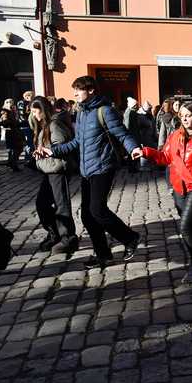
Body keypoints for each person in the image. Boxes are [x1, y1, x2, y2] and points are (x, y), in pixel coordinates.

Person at [35, 76, 143, 270]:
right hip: (86, 170)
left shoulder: (105, 111)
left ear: (91, 90)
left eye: (79, 89)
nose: (75, 93)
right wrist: (53, 150)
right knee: (86, 216)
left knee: (97, 210)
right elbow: (77, 142)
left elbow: (122, 134)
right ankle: (103, 255)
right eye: (74, 89)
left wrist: (133, 148)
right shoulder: (82, 113)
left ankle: (130, 237)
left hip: (103, 167)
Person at [143, 102, 192, 283]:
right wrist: (146, 152)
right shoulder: (175, 135)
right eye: (182, 115)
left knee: (185, 226)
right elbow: (165, 157)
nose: (184, 118)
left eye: (189, 115)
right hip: (179, 187)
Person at [31, 96, 79, 256]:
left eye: (36, 111)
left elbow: (62, 146)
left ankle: (68, 238)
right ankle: (55, 233)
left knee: (61, 204)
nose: (34, 115)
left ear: (43, 110)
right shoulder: (43, 125)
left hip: (57, 169)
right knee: (42, 204)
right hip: (48, 169)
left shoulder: (54, 124)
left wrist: (47, 152)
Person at [0, 98, 24, 171]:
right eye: (7, 102)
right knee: (16, 149)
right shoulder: (5, 112)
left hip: (16, 132)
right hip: (11, 133)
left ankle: (12, 163)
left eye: (11, 102)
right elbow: (4, 124)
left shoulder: (14, 111)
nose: (9, 103)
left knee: (17, 149)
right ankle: (13, 164)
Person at [137, 100, 157, 169]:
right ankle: (144, 166)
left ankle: (151, 164)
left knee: (151, 149)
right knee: (144, 150)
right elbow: (140, 127)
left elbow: (152, 124)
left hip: (150, 136)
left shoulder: (150, 115)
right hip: (144, 136)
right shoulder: (140, 116)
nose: (150, 110)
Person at [123, 97, 141, 173]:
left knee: (131, 152)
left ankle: (133, 168)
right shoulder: (130, 112)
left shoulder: (131, 111)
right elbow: (127, 125)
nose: (138, 106)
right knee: (131, 152)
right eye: (136, 105)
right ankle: (132, 168)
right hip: (132, 135)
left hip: (133, 135)